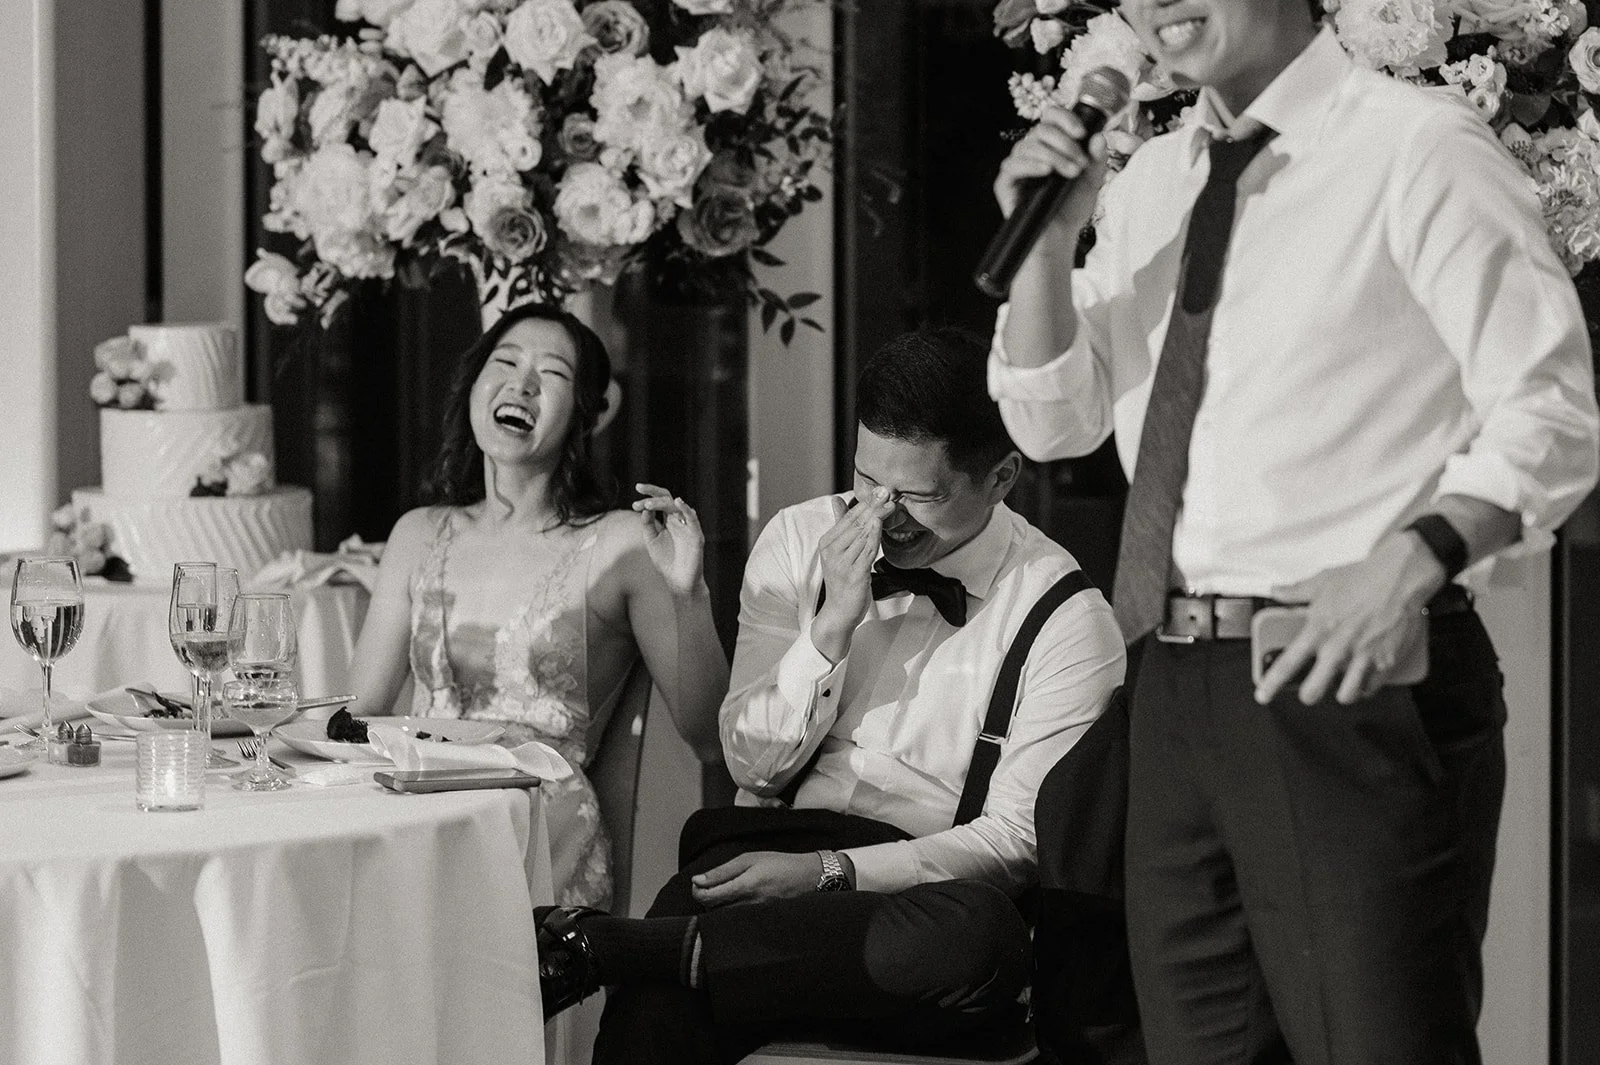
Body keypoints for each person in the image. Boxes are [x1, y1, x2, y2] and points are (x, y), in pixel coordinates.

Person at [989, 10, 1599, 1065]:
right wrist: (1045, 247)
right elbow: (1053, 422)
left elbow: (1549, 408)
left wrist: (1409, 563)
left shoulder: (1416, 144)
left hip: (1348, 673)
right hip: (1174, 682)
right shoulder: (1151, 181)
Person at [529, 328, 1126, 1063]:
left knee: (982, 938)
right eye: (867, 480)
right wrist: (830, 630)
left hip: (919, 901)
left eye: (916, 495)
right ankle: (680, 955)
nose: (880, 513)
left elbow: (1014, 843)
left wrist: (829, 873)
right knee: (659, 1010)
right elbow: (750, 765)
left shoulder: (1065, 617)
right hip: (765, 853)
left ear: (1001, 477)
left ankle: (650, 949)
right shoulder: (799, 536)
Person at [348, 302, 729, 909]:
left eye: (551, 373)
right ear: (473, 387)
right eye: (505, 363)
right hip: (420, 809)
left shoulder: (619, 545)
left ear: (587, 414)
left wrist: (690, 595)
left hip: (536, 831)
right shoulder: (418, 533)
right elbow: (359, 714)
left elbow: (710, 736)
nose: (522, 384)